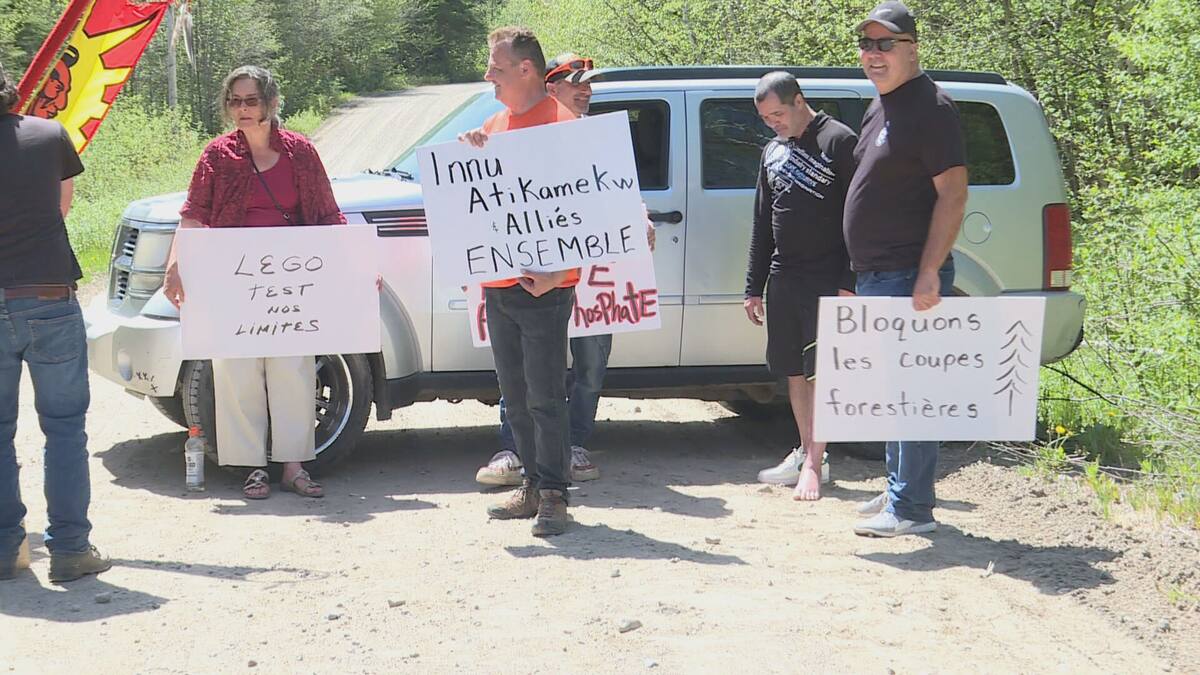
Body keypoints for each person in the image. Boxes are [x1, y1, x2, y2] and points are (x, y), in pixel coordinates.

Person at [163, 65, 346, 500]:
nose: (242, 109)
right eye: (234, 101)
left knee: (294, 370)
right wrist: (175, 264)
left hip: (292, 282)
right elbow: (193, 214)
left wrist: (357, 268)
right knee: (236, 371)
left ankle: (294, 467)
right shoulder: (216, 155)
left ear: (271, 103)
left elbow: (328, 215)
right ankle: (251, 468)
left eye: (251, 100)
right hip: (235, 282)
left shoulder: (302, 152)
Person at [475, 53, 655, 488]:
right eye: (576, 82)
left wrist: (638, 216)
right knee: (523, 377)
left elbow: (612, 192)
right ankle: (518, 452)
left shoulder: (591, 136)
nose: (586, 91)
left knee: (588, 364)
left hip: (583, 280)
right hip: (524, 281)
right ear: (549, 85)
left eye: (589, 84)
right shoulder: (504, 128)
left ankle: (569, 451)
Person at [843, 1, 969, 536]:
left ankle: (914, 509)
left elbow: (954, 195)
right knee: (891, 391)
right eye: (866, 44)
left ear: (912, 49)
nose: (873, 54)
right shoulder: (881, 105)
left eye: (885, 44)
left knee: (913, 393)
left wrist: (928, 273)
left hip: (907, 275)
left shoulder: (932, 109)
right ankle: (899, 488)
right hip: (877, 274)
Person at [459, 28, 580, 536]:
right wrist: (470, 155)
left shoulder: (565, 125)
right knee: (515, 391)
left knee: (546, 395)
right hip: (499, 284)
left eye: (496, 67)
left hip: (545, 289)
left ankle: (554, 493)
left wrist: (557, 275)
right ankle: (533, 484)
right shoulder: (494, 123)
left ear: (525, 70)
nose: (488, 75)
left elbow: (585, 212)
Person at [0, 61, 111, 582]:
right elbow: (59, 209)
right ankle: (69, 550)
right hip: (47, 295)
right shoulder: (48, 135)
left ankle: (6, 549)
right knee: (64, 430)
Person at [744, 72, 857, 501]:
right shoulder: (773, 150)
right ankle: (808, 449)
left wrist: (849, 280)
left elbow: (857, 217)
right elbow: (761, 222)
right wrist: (753, 286)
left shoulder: (839, 141)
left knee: (821, 371)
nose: (773, 124)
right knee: (793, 368)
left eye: (778, 114)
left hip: (826, 278)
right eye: (765, 118)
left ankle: (815, 463)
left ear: (799, 101)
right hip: (783, 277)